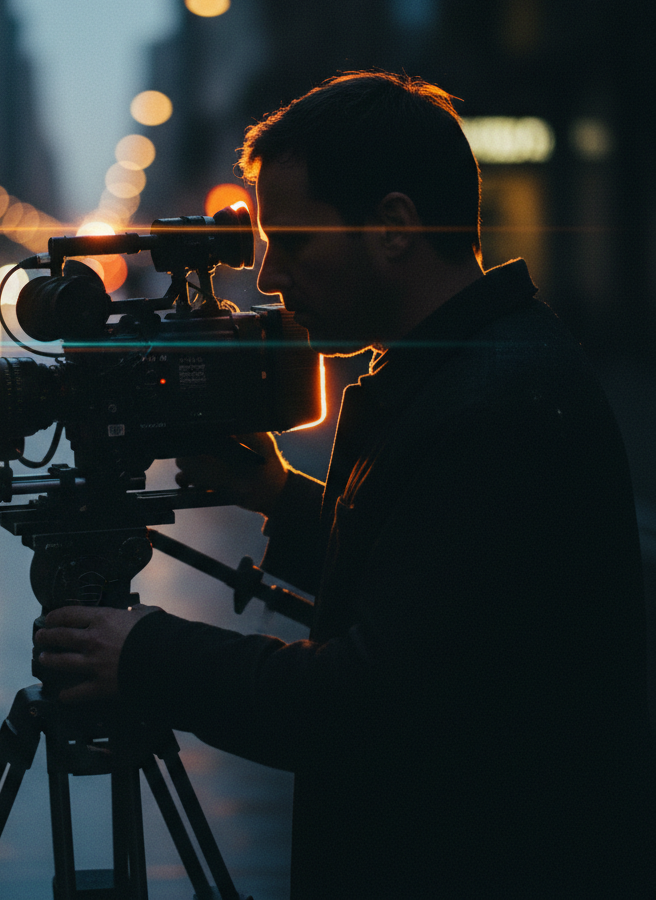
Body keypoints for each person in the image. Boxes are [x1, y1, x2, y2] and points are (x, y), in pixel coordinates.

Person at [34, 72, 655, 897]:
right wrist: (276, 494)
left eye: (291, 242)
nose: (266, 278)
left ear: (394, 226)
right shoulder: (470, 368)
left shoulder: (497, 406)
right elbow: (438, 599)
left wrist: (145, 654)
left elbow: (368, 705)